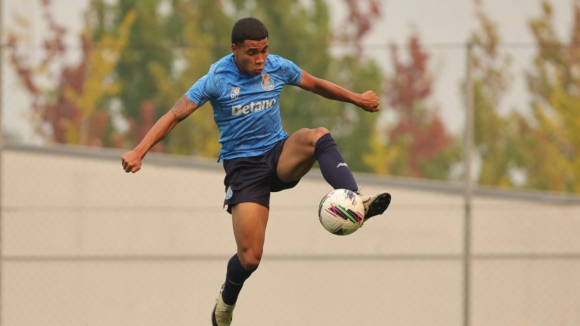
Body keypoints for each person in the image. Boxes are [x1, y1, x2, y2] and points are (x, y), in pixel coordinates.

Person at [121, 17, 391, 326]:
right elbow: (173, 115)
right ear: (234, 49)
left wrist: (356, 98)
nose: (260, 59)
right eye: (252, 52)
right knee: (250, 257)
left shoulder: (276, 66)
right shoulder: (216, 79)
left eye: (264, 50)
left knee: (317, 135)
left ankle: (356, 199)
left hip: (278, 155)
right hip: (244, 169)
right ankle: (225, 303)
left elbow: (316, 84)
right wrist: (139, 151)